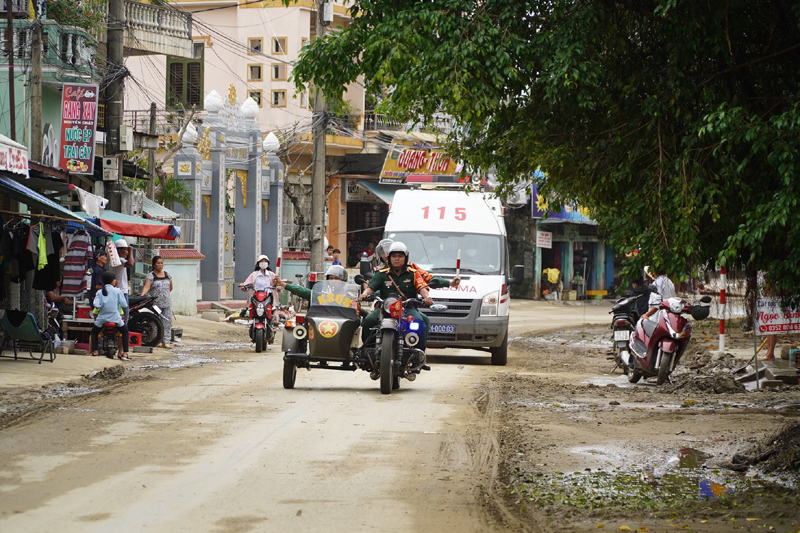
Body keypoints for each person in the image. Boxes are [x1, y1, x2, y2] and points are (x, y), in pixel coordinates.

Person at [358, 242, 433, 352]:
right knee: (369, 320)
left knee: (419, 322)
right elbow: (371, 287)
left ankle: (419, 353)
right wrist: (364, 294)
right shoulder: (382, 273)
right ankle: (368, 349)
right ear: (389, 258)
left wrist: (426, 297)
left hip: (407, 308)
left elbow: (422, 287)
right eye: (394, 256)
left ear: (405, 258)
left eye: (400, 256)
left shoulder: (412, 273)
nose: (397, 259)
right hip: (385, 308)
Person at [375, 238, 461, 289]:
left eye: (389, 252)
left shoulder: (411, 267)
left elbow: (428, 277)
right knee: (370, 319)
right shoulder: (379, 271)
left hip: (407, 306)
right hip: (385, 306)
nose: (386, 255)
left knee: (423, 319)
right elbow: (372, 287)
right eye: (383, 252)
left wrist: (450, 283)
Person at [91, 271, 130, 360]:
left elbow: (96, 304)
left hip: (102, 319)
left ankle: (96, 351)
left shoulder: (100, 292)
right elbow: (124, 305)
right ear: (113, 281)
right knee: (125, 331)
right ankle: (125, 353)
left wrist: (102, 306)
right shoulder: (118, 291)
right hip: (116, 318)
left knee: (94, 332)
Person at [141, 255, 173, 348]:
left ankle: (165, 341)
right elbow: (147, 287)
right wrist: (142, 296)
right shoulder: (150, 276)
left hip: (167, 302)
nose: (160, 265)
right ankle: (155, 340)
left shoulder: (167, 275)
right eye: (158, 263)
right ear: (154, 265)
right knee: (155, 322)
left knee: (167, 321)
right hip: (155, 304)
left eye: (162, 263)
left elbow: (170, 287)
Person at [276, 264, 347, 301]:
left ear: (343, 280)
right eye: (331, 278)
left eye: (337, 279)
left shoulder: (349, 297)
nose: (333, 281)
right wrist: (283, 284)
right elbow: (303, 291)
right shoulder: (323, 295)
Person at [111, 239, 133, 323]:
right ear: (119, 250)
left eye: (127, 250)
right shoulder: (118, 260)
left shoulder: (115, 260)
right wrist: (131, 251)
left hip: (120, 290)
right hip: (121, 291)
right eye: (125, 250)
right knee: (125, 316)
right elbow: (131, 263)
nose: (127, 252)